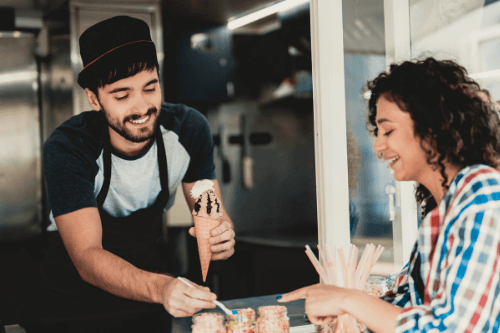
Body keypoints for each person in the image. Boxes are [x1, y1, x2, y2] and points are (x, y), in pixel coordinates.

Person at [19, 16, 235, 333]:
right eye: (122, 95)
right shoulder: (69, 147)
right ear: (94, 98)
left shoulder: (188, 130)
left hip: (147, 305)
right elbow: (88, 257)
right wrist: (162, 288)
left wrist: (221, 234)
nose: (141, 107)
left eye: (151, 88)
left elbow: (210, 209)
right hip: (69, 308)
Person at [278, 57, 500, 332]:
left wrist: (348, 299)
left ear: (433, 127)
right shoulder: (444, 209)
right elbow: (411, 302)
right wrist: (343, 299)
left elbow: (455, 327)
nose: (377, 146)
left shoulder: (484, 196)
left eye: (388, 130)